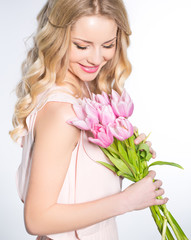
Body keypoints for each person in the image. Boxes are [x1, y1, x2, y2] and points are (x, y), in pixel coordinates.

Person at [9, 0, 168, 239]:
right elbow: (37, 219)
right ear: (57, 39)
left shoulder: (84, 93)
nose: (96, 59)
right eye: (82, 46)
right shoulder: (63, 111)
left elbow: (79, 185)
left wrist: (127, 158)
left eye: (107, 45)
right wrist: (127, 201)